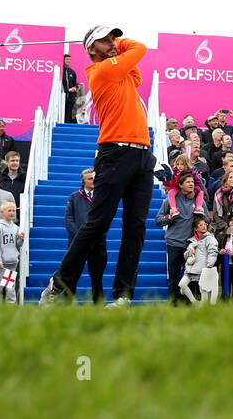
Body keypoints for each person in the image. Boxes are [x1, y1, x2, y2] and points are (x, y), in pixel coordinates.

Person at [42, 26, 155, 307]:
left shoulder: (122, 72)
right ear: (92, 50)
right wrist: (118, 44)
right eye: (105, 41)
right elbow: (139, 47)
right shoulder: (101, 71)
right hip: (115, 153)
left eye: (113, 38)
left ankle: (122, 297)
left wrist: (112, 45)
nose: (113, 44)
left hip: (142, 154)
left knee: (136, 227)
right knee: (98, 223)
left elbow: (136, 69)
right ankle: (58, 284)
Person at [156, 173, 203, 305]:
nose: (191, 184)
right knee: (174, 276)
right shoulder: (170, 201)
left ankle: (190, 303)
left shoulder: (199, 201)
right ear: (180, 185)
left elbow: (207, 221)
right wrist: (170, 218)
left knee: (192, 276)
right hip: (174, 243)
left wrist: (202, 219)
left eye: (192, 181)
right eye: (187, 182)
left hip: (192, 245)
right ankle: (173, 304)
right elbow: (158, 220)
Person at [63, 168, 104, 304]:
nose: (93, 181)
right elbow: (68, 219)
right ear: (83, 181)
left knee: (97, 276)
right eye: (90, 179)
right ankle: (68, 303)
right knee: (72, 275)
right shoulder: (74, 197)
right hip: (77, 243)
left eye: (94, 178)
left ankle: (98, 304)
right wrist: (80, 237)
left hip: (97, 243)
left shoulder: (102, 196)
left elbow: (105, 217)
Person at [0, 201, 24, 304]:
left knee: (10, 288)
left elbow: (17, 245)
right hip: (1, 264)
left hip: (12, 263)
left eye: (14, 211)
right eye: (9, 210)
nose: (12, 213)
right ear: (2, 212)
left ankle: (11, 307)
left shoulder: (15, 227)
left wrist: (21, 240)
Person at [182, 217, 219, 304]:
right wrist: (188, 254)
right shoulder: (192, 240)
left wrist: (209, 265)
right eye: (200, 225)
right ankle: (195, 303)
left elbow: (213, 252)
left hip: (203, 269)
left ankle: (204, 308)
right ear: (195, 228)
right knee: (182, 284)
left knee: (203, 290)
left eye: (205, 224)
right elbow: (185, 255)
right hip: (189, 269)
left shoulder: (210, 239)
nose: (204, 226)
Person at [62, 53, 79, 123]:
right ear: (63, 60)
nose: (68, 61)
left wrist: (75, 89)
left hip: (70, 98)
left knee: (69, 115)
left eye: (70, 59)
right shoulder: (60, 71)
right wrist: (67, 90)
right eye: (67, 59)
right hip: (62, 97)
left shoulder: (72, 72)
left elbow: (74, 85)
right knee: (63, 114)